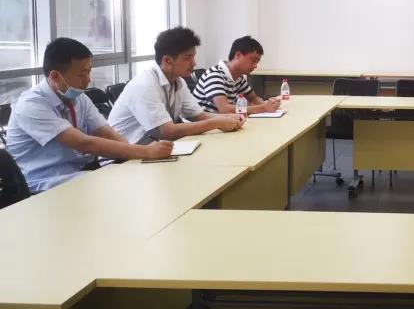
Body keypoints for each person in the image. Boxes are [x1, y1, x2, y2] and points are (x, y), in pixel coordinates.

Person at [5, 38, 173, 193]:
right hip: (44, 184)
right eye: (81, 75)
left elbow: (106, 132)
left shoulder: (78, 97)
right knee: (121, 188)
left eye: (89, 72)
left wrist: (135, 154)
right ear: (55, 76)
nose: (88, 80)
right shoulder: (31, 105)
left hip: (78, 174)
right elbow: (83, 143)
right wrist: (145, 151)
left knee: (135, 179)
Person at [108, 27, 244, 144]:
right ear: (167, 61)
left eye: (193, 57)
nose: (194, 63)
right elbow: (166, 132)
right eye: (187, 58)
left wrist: (226, 118)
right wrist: (217, 122)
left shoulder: (178, 82)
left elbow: (199, 116)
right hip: (122, 158)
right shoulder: (144, 85)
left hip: (152, 149)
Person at [192, 36, 280, 115]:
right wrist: (264, 108)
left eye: (257, 62)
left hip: (221, 123)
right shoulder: (214, 75)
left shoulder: (238, 77)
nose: (255, 66)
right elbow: (225, 109)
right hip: (202, 125)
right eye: (253, 60)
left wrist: (270, 104)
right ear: (238, 55)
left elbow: (254, 99)